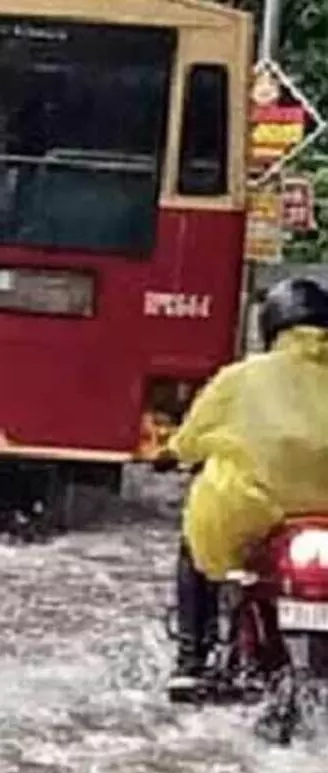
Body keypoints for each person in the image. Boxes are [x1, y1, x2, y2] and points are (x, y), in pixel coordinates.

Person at [162, 277, 328, 698]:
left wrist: (171, 452)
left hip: (258, 511)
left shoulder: (239, 378)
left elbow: (190, 439)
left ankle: (192, 660)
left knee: (195, 546)